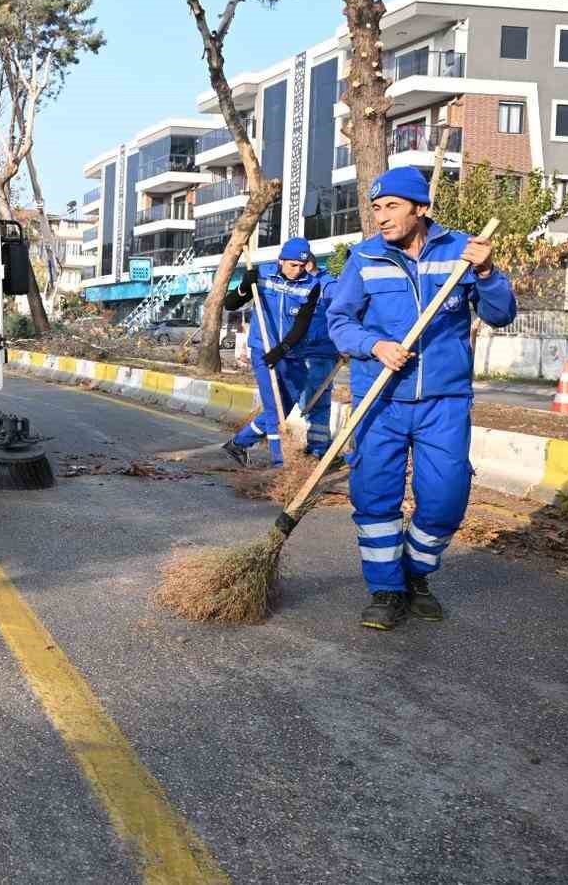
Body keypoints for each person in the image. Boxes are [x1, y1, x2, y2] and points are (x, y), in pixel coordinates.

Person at [326, 166, 516, 631]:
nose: (382, 218)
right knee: (375, 498)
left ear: (421, 208)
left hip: (444, 402)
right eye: (376, 208)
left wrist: (487, 272)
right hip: (380, 399)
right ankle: (387, 590)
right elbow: (339, 321)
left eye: (392, 207)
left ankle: (416, 575)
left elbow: (501, 314)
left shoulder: (463, 251)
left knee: (445, 498)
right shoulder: (365, 257)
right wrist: (373, 344)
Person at [219, 236, 338, 467]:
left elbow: (302, 324)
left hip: (292, 353)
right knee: (275, 410)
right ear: (281, 260)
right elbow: (230, 304)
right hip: (263, 350)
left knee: (286, 404)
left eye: (302, 266)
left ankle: (238, 443)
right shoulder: (261, 275)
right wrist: (244, 287)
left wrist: (283, 348)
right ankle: (279, 465)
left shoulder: (311, 285)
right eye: (293, 265)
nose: (298, 270)